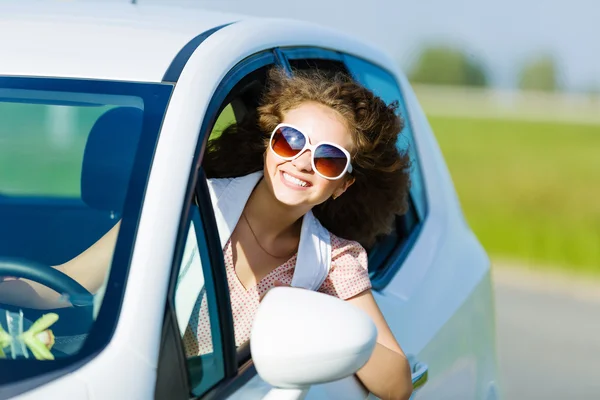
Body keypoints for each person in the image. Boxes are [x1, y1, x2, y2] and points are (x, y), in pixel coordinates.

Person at [0, 68, 413, 400]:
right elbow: (63, 285)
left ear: (343, 184)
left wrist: (327, 326)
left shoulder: (335, 260)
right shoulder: (187, 206)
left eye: (328, 158)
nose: (303, 162)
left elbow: (396, 383)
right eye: (291, 141)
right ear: (269, 145)